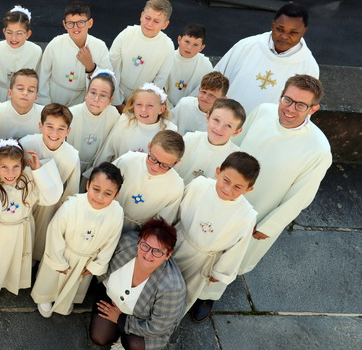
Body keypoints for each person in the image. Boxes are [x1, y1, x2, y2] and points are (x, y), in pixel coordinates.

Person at [235, 74, 331, 274]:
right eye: (287, 100)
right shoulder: (262, 111)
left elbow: (301, 196)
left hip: (259, 211)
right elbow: (234, 147)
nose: (290, 109)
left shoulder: (318, 149)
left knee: (233, 260)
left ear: (313, 109)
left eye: (301, 105)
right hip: (226, 192)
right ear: (281, 95)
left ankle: (208, 297)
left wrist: (269, 226)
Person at [174, 152, 259, 321]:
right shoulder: (199, 185)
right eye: (226, 180)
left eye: (238, 187)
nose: (228, 189)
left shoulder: (246, 215)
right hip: (176, 242)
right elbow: (176, 208)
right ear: (218, 172)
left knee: (181, 294)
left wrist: (220, 272)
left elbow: (237, 249)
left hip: (201, 262)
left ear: (249, 189)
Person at [31, 162, 123, 317]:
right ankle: (45, 297)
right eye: (96, 189)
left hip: (86, 258)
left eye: (108, 193)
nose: (100, 197)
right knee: (53, 277)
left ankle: (67, 299)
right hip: (64, 251)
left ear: (116, 195)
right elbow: (55, 232)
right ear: (88, 185)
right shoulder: (72, 205)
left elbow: (111, 242)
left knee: (75, 282)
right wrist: (57, 260)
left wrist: (96, 265)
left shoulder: (117, 213)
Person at [0, 139, 63, 304]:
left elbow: (51, 197)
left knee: (14, 259)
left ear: (22, 165)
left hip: (21, 230)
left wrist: (37, 170)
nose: (10, 173)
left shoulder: (28, 181)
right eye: (4, 167)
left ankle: (10, 282)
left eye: (15, 167)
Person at [89, 218, 186, 350]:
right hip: (112, 301)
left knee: (135, 345)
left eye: (157, 251)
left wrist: (120, 320)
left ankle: (124, 337)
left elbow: (156, 327)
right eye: (145, 246)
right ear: (138, 242)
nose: (148, 255)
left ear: (168, 254)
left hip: (142, 321)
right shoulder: (126, 244)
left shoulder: (172, 288)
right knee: (99, 337)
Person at [213, 3, 319, 112]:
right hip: (225, 121)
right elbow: (214, 83)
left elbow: (303, 110)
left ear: (304, 31)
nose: (284, 36)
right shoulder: (246, 46)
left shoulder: (308, 67)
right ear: (273, 25)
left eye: (293, 32)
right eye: (280, 29)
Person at [19, 103, 80, 261]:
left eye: (61, 128)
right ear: (40, 126)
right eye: (49, 126)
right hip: (24, 201)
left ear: (68, 131)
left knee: (37, 243)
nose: (54, 133)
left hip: (49, 208)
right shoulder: (27, 144)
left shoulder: (72, 156)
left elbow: (71, 192)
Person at [37, 1, 111, 106]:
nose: (75, 28)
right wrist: (45, 104)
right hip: (55, 97)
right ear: (64, 24)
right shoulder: (55, 44)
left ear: (90, 23)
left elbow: (108, 80)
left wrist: (91, 67)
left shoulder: (100, 47)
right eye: (70, 23)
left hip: (81, 101)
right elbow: (43, 75)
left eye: (81, 22)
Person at [113, 130, 185, 231]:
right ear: (149, 146)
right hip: (109, 218)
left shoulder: (176, 186)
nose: (155, 167)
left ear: (176, 162)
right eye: (153, 158)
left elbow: (161, 222)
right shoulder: (127, 161)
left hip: (138, 233)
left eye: (164, 165)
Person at [109, 0, 175, 104]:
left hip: (144, 100)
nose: (149, 24)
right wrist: (117, 102)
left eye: (156, 21)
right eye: (147, 18)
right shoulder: (126, 34)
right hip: (116, 92)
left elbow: (160, 80)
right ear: (141, 16)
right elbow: (112, 68)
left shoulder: (167, 46)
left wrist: (141, 104)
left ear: (165, 24)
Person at [0, 6, 42, 113]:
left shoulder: (35, 51)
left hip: (20, 96)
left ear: (28, 34)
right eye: (9, 32)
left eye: (19, 33)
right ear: (4, 31)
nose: (14, 38)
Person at [96, 83, 177, 163]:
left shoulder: (169, 130)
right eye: (139, 104)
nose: (143, 109)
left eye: (150, 105)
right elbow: (107, 150)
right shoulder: (125, 121)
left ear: (161, 109)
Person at [174, 98, 245, 185]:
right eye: (216, 120)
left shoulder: (236, 159)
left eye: (228, 126)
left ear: (237, 131)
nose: (219, 129)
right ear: (208, 117)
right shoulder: (189, 139)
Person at [68, 69, 120, 178]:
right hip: (70, 165)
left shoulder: (113, 115)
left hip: (97, 166)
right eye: (93, 93)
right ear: (86, 94)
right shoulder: (72, 113)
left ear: (110, 100)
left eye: (103, 95)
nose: (96, 99)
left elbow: (111, 144)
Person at [0, 68, 42, 146]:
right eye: (20, 89)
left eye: (30, 90)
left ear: (36, 97)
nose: (25, 93)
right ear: (10, 93)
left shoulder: (43, 114)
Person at [165, 24, 212, 107]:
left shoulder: (206, 65)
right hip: (164, 106)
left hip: (190, 109)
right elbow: (159, 88)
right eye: (187, 42)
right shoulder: (166, 57)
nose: (189, 47)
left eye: (195, 45)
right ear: (179, 40)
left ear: (201, 48)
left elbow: (205, 94)